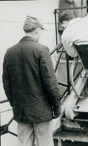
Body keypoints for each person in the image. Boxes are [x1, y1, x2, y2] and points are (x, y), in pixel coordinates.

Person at [2, 15, 61, 146]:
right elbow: (50, 83)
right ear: (37, 31)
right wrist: (57, 107)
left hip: (22, 112)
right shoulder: (41, 50)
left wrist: (16, 105)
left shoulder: (9, 52)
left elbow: (7, 85)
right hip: (42, 112)